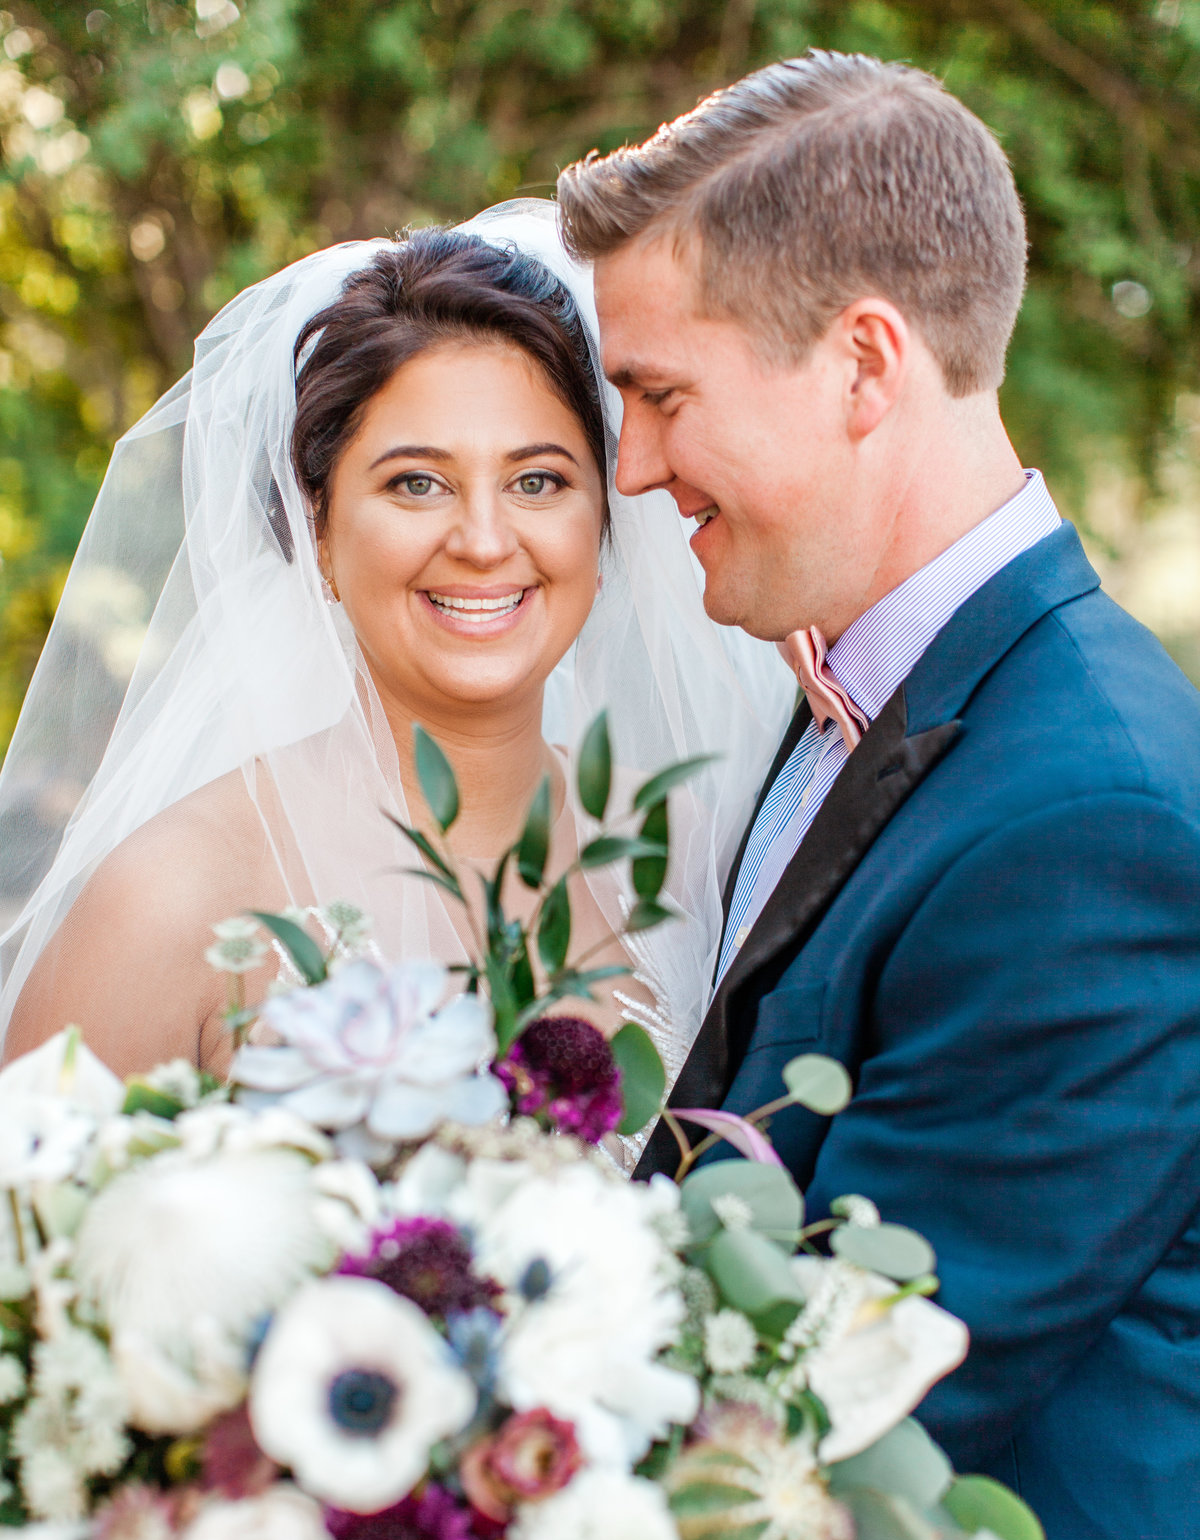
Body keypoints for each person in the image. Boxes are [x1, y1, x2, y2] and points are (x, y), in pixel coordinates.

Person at [558, 49, 1200, 1540]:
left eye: (664, 395)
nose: (631, 467)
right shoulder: (839, 691)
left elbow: (854, 1407)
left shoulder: (1096, 815)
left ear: (862, 363)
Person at [0, 204, 792, 1103]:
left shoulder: (678, 856)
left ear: (604, 524)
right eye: (417, 483)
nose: (485, 540)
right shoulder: (170, 899)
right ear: (320, 532)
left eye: (538, 481)